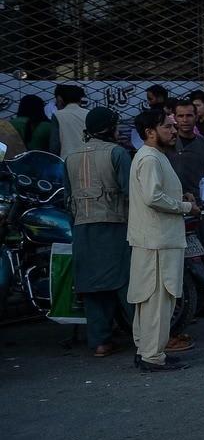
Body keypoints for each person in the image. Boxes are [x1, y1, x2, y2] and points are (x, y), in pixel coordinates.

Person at [127, 110, 197, 372]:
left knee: (150, 300)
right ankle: (152, 356)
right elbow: (153, 197)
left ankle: (146, 351)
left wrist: (181, 199)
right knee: (158, 300)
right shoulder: (149, 158)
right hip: (158, 241)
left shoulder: (153, 156)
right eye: (167, 126)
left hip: (155, 239)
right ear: (150, 132)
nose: (174, 130)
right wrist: (186, 207)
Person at [63, 107, 133, 357]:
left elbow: (67, 197)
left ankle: (101, 342)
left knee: (92, 286)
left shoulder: (70, 157)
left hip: (82, 228)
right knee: (126, 282)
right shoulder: (117, 153)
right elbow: (131, 192)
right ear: (110, 128)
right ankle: (145, 337)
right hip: (115, 225)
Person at [168, 99, 204, 319]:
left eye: (189, 115)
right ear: (174, 118)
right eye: (180, 116)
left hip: (201, 208)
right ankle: (180, 308)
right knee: (177, 260)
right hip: (174, 208)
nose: (184, 120)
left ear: (196, 116)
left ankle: (202, 302)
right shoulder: (167, 144)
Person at [52, 84, 90, 157]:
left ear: (59, 99)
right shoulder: (88, 113)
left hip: (66, 159)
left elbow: (55, 146)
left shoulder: (58, 115)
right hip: (87, 157)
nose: (56, 104)